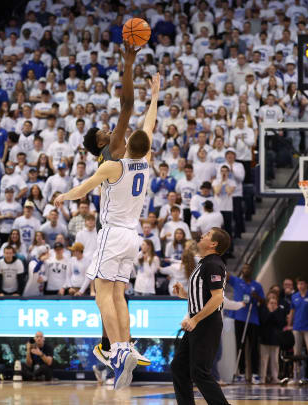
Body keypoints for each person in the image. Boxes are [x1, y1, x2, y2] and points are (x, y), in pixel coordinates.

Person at [54, 72, 160, 389]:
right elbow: (149, 128)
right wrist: (155, 97)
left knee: (101, 294)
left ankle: (116, 352)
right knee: (118, 294)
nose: (114, 133)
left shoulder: (112, 164)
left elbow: (81, 190)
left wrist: (61, 196)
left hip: (113, 233)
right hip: (133, 237)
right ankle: (125, 346)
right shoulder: (147, 159)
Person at [171, 228, 231, 405]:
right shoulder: (204, 263)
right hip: (198, 323)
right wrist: (185, 295)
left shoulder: (213, 264)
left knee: (200, 372)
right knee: (179, 367)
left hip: (206, 323)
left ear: (213, 244)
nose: (202, 237)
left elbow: (218, 297)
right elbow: (203, 297)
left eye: (206, 235)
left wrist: (195, 319)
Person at [227, 263, 264, 384]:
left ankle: (254, 374)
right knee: (240, 346)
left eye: (248, 268)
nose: (245, 269)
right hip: (239, 318)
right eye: (243, 268)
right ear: (242, 270)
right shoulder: (236, 281)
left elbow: (263, 301)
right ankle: (241, 373)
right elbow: (225, 276)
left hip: (253, 319)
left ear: (251, 270)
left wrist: (257, 297)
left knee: (253, 347)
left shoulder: (257, 285)